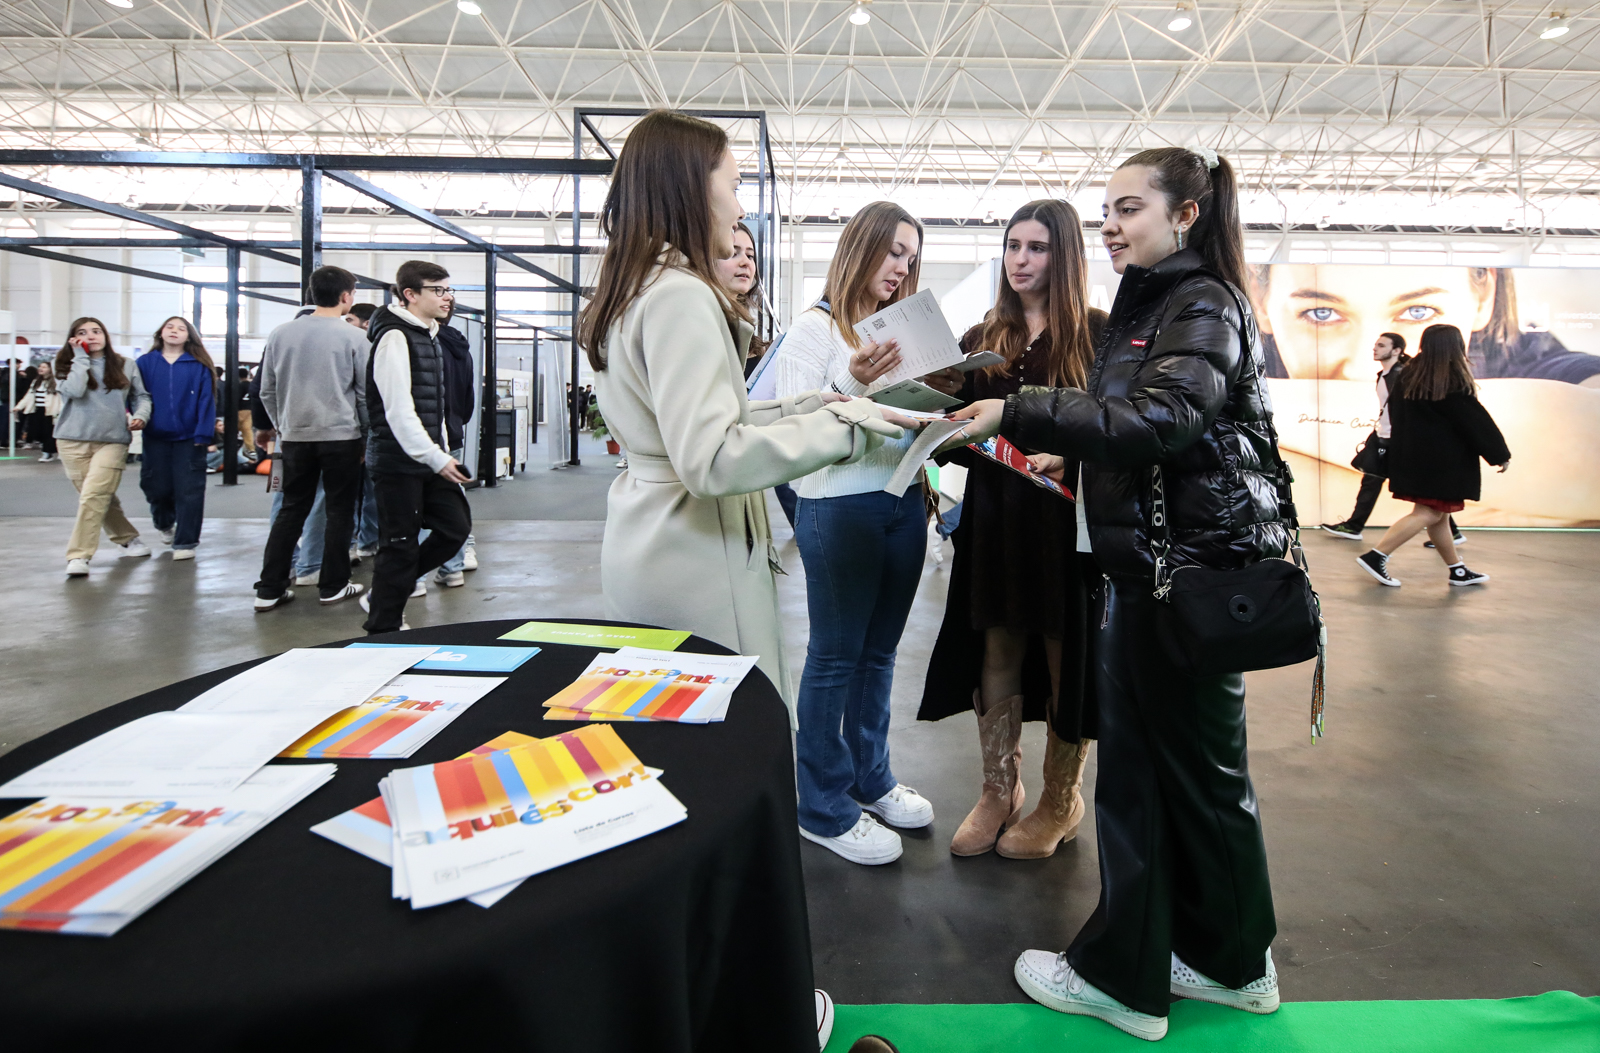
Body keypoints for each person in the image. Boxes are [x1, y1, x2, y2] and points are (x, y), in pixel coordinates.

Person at [951, 146, 1287, 1041]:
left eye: (1129, 208)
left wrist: (1022, 412)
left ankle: (1121, 979)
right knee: (1207, 781)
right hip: (1176, 572)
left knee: (1141, 782)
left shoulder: (1197, 301)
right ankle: (1233, 960)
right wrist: (1080, 452)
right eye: (1105, 208)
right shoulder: (1173, 301)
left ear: (1185, 215)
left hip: (1171, 580)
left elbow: (1165, 418)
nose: (1111, 223)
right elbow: (1164, 437)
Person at [582, 111, 916, 847]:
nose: (739, 206)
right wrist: (848, 426)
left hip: (650, 538)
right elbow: (712, 458)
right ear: (688, 188)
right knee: (722, 762)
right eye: (731, 185)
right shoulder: (679, 296)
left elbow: (702, 422)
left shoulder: (635, 284)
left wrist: (814, 405)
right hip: (698, 556)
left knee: (672, 757)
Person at [919, 199, 1106, 860]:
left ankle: (1062, 799)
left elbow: (1128, 431)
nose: (1020, 259)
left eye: (1037, 247)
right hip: (995, 521)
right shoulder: (980, 337)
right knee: (996, 647)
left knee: (1064, 658)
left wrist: (1075, 455)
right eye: (1013, 245)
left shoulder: (1100, 335)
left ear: (1065, 255)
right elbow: (948, 433)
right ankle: (1000, 790)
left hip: (1067, 528)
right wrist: (928, 418)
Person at [772, 200, 944, 866]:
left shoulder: (894, 332)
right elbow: (795, 433)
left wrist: (936, 412)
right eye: (893, 251)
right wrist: (855, 379)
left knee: (879, 656)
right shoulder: (814, 330)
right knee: (835, 656)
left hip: (901, 501)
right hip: (837, 508)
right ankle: (822, 804)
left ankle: (871, 778)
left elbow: (892, 419)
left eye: (910, 255)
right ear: (859, 248)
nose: (901, 266)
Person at [359, 260, 472, 633]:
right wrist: (437, 457)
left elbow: (433, 407)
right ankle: (383, 627)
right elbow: (398, 410)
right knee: (400, 544)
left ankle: (386, 591)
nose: (447, 297)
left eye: (448, 289)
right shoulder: (394, 337)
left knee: (455, 529)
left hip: (429, 457)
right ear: (410, 294)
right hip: (398, 461)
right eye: (437, 290)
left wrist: (441, 448)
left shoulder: (431, 334)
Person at [1356, 324, 1510, 589]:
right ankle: (1376, 555)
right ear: (1455, 346)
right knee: (1429, 513)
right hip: (1443, 462)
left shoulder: (1409, 374)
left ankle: (1456, 570)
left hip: (1413, 458)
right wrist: (1499, 454)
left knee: (1438, 515)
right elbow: (1474, 420)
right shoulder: (1449, 378)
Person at [253, 265, 370, 611]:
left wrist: (284, 425)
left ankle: (269, 589)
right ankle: (333, 584)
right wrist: (364, 436)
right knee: (340, 510)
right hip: (342, 437)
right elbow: (363, 395)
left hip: (295, 439)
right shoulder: (355, 338)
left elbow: (266, 390)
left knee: (291, 510)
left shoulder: (280, 333)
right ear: (347, 297)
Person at [1320, 332, 1465, 548]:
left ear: (1397, 350)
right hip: (1384, 438)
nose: (1375, 349)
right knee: (1372, 479)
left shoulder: (1401, 376)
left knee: (1421, 489)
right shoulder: (1384, 375)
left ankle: (1451, 533)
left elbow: (1407, 412)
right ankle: (1354, 526)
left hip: (1397, 441)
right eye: (1375, 345)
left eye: (1381, 345)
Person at [53, 317, 153, 576]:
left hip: (112, 440)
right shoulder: (65, 363)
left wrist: (142, 415)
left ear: (106, 335)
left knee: (93, 495)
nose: (92, 336)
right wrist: (80, 358)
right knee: (97, 497)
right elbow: (74, 391)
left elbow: (140, 395)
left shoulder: (125, 364)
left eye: (97, 331)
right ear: (74, 338)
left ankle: (78, 555)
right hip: (71, 440)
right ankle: (128, 538)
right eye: (83, 332)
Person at [134, 317, 216, 560]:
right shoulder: (144, 363)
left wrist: (204, 433)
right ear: (160, 332)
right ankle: (164, 523)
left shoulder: (199, 366)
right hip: (154, 437)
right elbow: (136, 396)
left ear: (188, 337)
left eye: (181, 329)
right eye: (170, 327)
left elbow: (206, 401)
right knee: (156, 488)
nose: (174, 331)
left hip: (190, 439)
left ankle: (186, 541)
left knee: (190, 490)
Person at [426, 300, 478, 589]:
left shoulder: (423, 343)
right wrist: (457, 420)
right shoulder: (461, 348)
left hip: (426, 437)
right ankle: (453, 566)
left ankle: (415, 578)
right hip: (454, 431)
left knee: (417, 505)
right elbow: (468, 395)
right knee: (453, 500)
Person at [342, 302, 381, 561]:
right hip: (346, 434)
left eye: (351, 320)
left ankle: (365, 542)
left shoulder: (367, 348)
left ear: (366, 324)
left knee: (368, 493)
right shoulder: (348, 346)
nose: (346, 326)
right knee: (350, 494)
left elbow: (366, 397)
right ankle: (354, 543)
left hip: (361, 433)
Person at [718, 220, 770, 374]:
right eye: (733, 253)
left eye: (750, 256)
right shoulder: (703, 321)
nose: (745, 262)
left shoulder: (746, 331)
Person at [12, 360, 60, 461]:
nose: (41, 369)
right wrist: (19, 407)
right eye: (40, 367)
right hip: (37, 410)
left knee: (49, 433)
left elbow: (61, 399)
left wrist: (60, 411)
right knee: (39, 432)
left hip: (51, 411)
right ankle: (49, 452)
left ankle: (47, 453)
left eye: (44, 367)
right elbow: (28, 396)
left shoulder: (56, 382)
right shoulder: (36, 382)